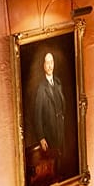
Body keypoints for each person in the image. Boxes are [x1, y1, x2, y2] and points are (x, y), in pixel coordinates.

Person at [32, 48, 67, 177]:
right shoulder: (41, 88)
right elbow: (37, 115)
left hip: (60, 131)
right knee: (52, 167)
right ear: (44, 66)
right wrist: (41, 138)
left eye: (51, 62)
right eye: (47, 63)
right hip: (49, 134)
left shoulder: (57, 83)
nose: (50, 65)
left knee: (61, 161)